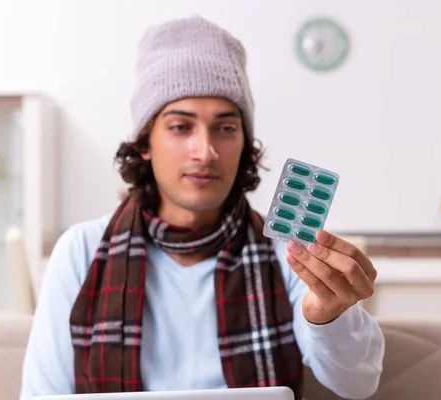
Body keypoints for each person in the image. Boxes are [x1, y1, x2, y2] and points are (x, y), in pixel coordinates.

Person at [20, 15, 385, 400]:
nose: (206, 152)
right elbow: (41, 395)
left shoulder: (288, 254)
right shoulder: (81, 250)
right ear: (145, 143)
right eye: (181, 127)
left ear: (244, 142)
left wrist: (329, 317)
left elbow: (357, 386)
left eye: (226, 128)